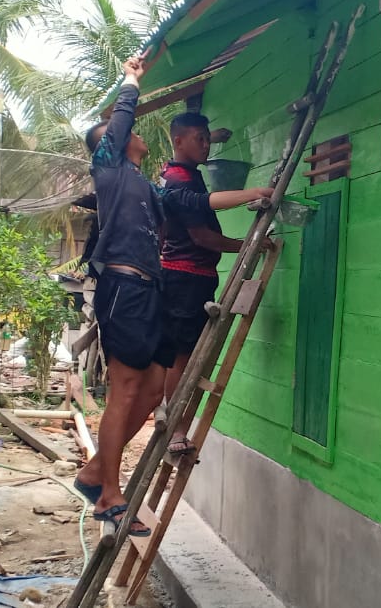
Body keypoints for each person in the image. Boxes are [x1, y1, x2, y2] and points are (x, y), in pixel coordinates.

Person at [72, 55, 271, 535]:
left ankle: (96, 470)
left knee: (156, 387)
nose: (137, 134)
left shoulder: (143, 183)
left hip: (151, 288)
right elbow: (119, 126)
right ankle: (109, 496)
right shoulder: (111, 172)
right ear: (111, 148)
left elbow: (194, 202)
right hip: (123, 288)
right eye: (125, 133)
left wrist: (251, 190)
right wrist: (131, 81)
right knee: (124, 390)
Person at [155, 112, 248, 460]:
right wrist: (245, 245)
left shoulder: (182, 173)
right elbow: (202, 236)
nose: (207, 144)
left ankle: (171, 421)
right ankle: (176, 428)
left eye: (209, 139)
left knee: (185, 355)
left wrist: (214, 136)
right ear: (179, 141)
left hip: (187, 277)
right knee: (183, 357)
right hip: (185, 277)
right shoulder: (180, 182)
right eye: (200, 139)